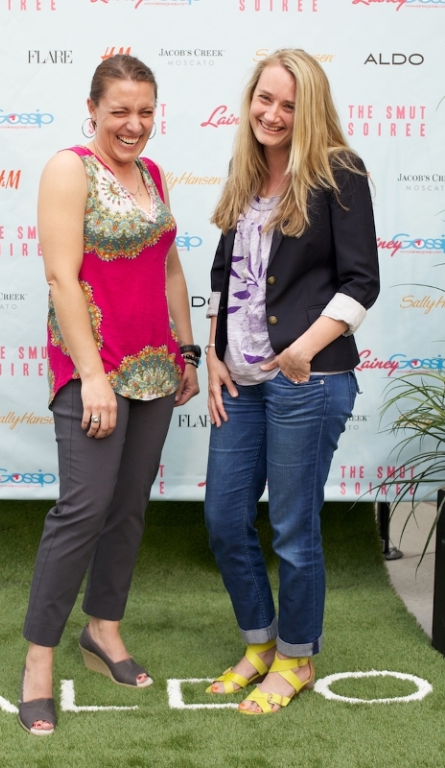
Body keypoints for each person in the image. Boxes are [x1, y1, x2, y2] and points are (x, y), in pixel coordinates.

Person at [19, 54, 199, 735]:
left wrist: (186, 350)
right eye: (120, 110)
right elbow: (61, 279)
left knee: (127, 508)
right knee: (82, 510)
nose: (133, 124)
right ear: (92, 109)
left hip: (154, 366)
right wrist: (92, 375)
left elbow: (170, 267)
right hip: (94, 368)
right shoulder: (69, 168)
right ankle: (38, 660)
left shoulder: (152, 174)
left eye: (145, 111)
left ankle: (103, 629)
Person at [204, 49, 379, 715]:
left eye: (289, 104)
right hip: (240, 381)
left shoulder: (338, 171)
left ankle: (296, 657)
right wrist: (212, 353)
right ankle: (260, 643)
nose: (273, 114)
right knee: (224, 518)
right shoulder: (245, 173)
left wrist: (301, 352)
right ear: (250, 99)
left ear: (310, 111)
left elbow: (361, 282)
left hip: (307, 381)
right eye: (265, 98)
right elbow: (224, 275)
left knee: (293, 528)